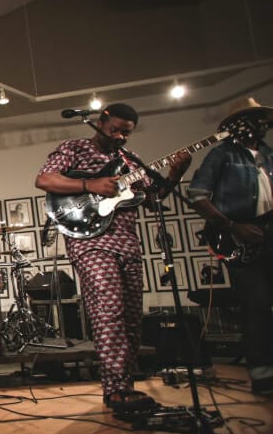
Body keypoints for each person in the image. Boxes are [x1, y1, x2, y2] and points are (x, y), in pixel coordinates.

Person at [35, 103, 190, 412]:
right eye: (114, 129)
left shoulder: (131, 161)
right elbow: (45, 180)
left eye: (126, 133)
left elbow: (153, 199)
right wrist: (89, 184)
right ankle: (117, 389)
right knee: (108, 309)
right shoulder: (75, 148)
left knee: (131, 317)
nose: (119, 136)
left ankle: (124, 386)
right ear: (101, 121)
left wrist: (174, 175)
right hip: (90, 242)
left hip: (127, 243)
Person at [188, 97, 273, 396]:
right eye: (253, 118)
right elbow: (197, 194)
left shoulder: (269, 155)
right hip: (241, 234)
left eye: (262, 118)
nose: (261, 124)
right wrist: (231, 226)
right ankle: (264, 376)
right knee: (258, 305)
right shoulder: (222, 154)